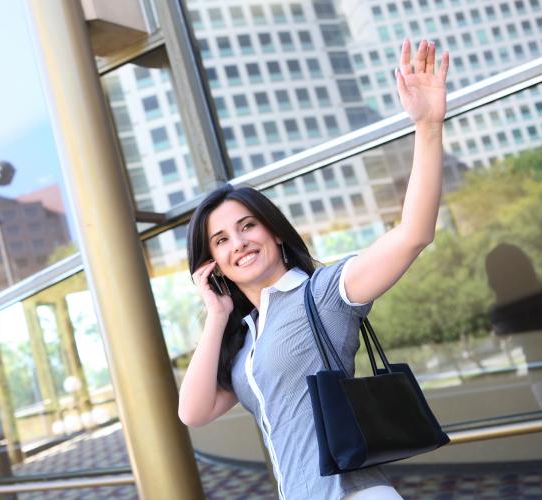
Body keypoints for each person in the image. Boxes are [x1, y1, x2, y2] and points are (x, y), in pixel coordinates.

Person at [178, 38, 449, 500]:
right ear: (213, 263)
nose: (239, 243)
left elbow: (412, 235)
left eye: (247, 227)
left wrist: (427, 126)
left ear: (276, 233)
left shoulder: (323, 293)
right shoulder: (245, 339)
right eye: (221, 240)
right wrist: (218, 316)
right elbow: (193, 412)